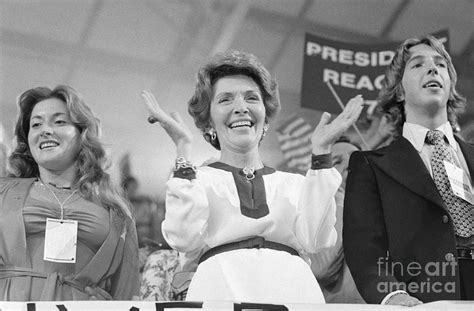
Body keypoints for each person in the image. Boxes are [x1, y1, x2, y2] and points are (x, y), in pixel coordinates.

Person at [141, 50, 363, 304]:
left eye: (251, 98)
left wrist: (322, 153)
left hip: (293, 294)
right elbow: (183, 237)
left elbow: (316, 240)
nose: (241, 108)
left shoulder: (295, 184)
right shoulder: (196, 180)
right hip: (219, 293)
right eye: (225, 100)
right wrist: (182, 148)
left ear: (265, 116)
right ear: (209, 121)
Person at [343, 35, 473, 306]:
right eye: (417, 65)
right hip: (425, 300)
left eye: (440, 64)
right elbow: (364, 248)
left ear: (450, 86)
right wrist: (391, 294)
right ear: (399, 92)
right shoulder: (371, 166)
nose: (432, 69)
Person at [0, 85, 140, 301]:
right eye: (36, 124)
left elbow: (128, 291)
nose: (45, 130)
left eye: (59, 122)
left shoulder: (115, 209)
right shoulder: (4, 192)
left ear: (82, 133)